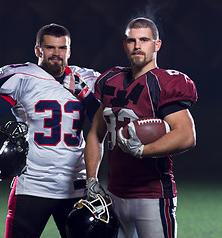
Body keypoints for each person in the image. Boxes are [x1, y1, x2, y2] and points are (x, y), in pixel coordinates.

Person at [0, 23, 100, 238]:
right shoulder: (23, 78)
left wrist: (85, 95)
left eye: (62, 48)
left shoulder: (84, 80)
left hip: (76, 185)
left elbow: (102, 125)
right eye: (50, 48)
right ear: (38, 50)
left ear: (69, 50)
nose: (56, 54)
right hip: (33, 184)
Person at [84, 17, 198, 238]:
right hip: (115, 194)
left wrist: (143, 151)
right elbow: (95, 135)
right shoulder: (111, 80)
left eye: (144, 40)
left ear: (157, 45)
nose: (137, 46)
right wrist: (91, 179)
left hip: (152, 195)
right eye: (131, 40)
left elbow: (186, 135)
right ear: (125, 45)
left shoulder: (164, 83)